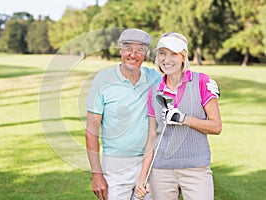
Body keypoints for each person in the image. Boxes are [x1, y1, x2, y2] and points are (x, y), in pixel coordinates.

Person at [136, 32, 222, 200]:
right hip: (161, 171)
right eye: (162, 53)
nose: (166, 59)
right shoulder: (154, 93)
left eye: (173, 54)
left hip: (196, 169)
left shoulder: (202, 82)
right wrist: (142, 177)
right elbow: (152, 138)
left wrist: (183, 119)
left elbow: (216, 127)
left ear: (183, 56)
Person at [86, 28, 161, 200]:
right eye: (128, 48)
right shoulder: (103, 80)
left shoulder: (155, 79)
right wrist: (97, 175)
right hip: (115, 164)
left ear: (146, 53)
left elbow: (178, 82)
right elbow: (91, 131)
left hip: (148, 164)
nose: (133, 54)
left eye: (140, 49)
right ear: (120, 50)